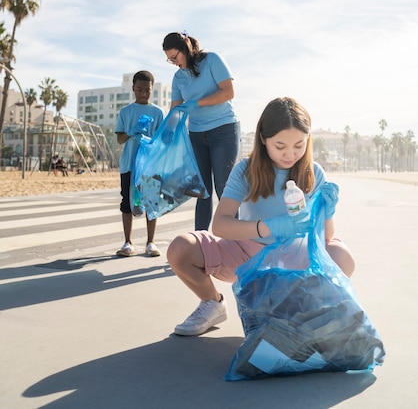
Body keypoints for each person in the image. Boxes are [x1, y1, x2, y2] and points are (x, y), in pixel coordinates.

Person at [167, 96, 355, 336]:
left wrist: (328, 212)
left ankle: (306, 309)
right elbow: (220, 225)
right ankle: (212, 303)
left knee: (342, 256)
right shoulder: (246, 170)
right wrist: (269, 226)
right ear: (264, 139)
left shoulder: (314, 172)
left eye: (299, 145)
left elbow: (326, 238)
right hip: (247, 257)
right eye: (280, 146)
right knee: (181, 249)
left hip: (295, 259)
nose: (290, 154)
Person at [162, 32, 240, 230]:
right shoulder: (178, 77)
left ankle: (235, 243)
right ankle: (201, 243)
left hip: (223, 130)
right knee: (202, 191)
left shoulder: (212, 60)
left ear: (185, 48)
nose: (173, 62)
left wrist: (196, 103)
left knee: (224, 189)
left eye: (175, 57)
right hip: (196, 136)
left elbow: (228, 92)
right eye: (169, 59)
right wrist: (164, 134)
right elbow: (176, 109)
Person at [115, 70, 165, 257]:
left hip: (151, 164)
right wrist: (132, 132)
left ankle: (150, 242)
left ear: (152, 89)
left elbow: (163, 140)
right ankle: (128, 242)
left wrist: (151, 140)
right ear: (133, 88)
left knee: (151, 202)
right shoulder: (126, 112)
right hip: (129, 164)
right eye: (139, 89)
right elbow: (120, 139)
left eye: (147, 90)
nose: (143, 94)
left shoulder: (158, 112)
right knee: (127, 202)